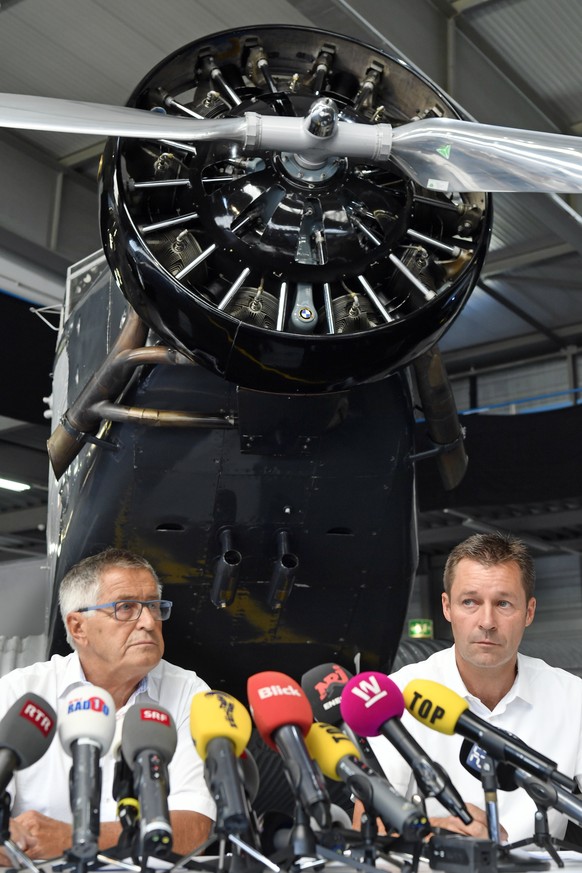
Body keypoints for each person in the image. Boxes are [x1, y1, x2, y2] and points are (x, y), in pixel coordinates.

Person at [354, 532, 582, 844]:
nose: (486, 621)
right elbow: (366, 828)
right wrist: (434, 832)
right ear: (447, 607)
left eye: (503, 603)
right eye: (470, 602)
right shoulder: (397, 698)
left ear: (529, 612)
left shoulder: (572, 697)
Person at [0, 548, 216, 862]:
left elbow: (194, 829)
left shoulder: (188, 693)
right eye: (125, 607)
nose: (148, 622)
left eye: (153, 606)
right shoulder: (19, 693)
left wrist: (75, 839)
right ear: (78, 627)